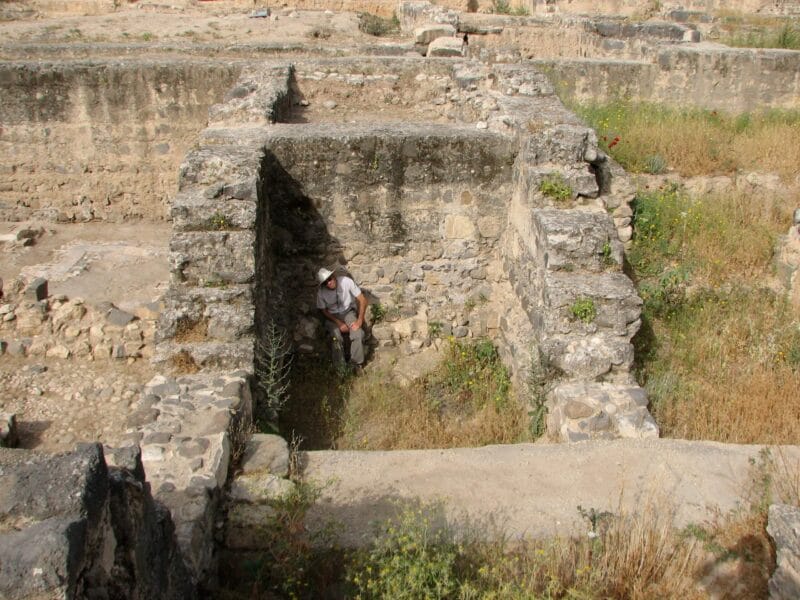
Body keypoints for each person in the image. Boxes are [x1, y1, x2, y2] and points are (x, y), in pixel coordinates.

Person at [316, 267, 367, 371]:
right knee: (336, 338)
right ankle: (340, 369)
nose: (328, 283)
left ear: (333, 276)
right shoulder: (321, 292)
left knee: (358, 333)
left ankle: (356, 364)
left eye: (329, 279)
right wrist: (338, 323)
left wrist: (360, 320)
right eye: (325, 283)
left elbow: (362, 300)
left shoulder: (346, 281)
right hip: (332, 317)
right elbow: (323, 310)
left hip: (348, 312)